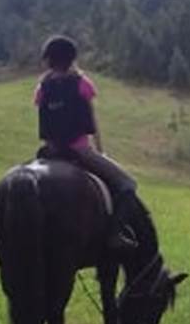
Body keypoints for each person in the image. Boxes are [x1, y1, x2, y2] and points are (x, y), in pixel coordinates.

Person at [34, 34, 142, 251]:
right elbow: (91, 122)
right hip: (80, 150)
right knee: (128, 185)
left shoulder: (42, 88)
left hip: (51, 151)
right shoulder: (83, 84)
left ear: (49, 59)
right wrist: (100, 151)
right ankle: (115, 234)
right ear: (72, 58)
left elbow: (44, 120)